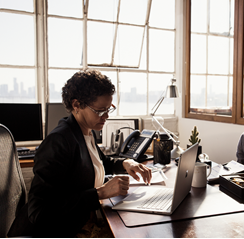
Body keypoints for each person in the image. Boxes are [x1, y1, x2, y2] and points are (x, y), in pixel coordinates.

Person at [8, 69, 152, 237]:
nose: (106, 116)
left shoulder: (85, 132)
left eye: (108, 109)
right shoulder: (59, 141)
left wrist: (125, 163)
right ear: (76, 105)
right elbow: (40, 212)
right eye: (100, 110)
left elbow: (98, 162)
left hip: (82, 223)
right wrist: (100, 193)